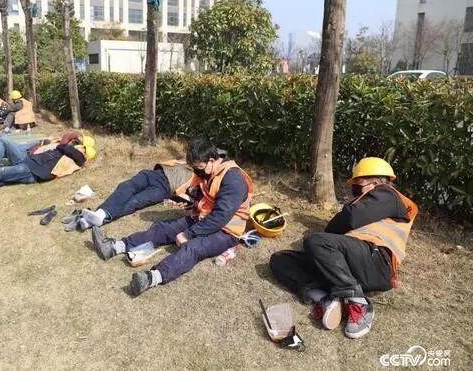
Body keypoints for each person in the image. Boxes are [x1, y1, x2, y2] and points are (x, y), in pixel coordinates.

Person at [269, 157, 418, 339]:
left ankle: (358, 302)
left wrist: (327, 234)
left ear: (375, 182)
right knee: (281, 260)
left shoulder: (387, 195)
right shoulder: (370, 202)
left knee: (317, 241)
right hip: (349, 264)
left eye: (358, 184)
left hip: (376, 264)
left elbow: (350, 219)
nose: (354, 189)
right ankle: (325, 299)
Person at [91, 139, 254, 297]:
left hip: (227, 231)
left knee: (193, 248)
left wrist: (188, 234)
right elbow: (204, 195)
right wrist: (192, 200)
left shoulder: (233, 180)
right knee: (163, 229)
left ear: (212, 160)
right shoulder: (209, 171)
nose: (197, 172)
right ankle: (115, 247)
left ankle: (151, 278)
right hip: (203, 218)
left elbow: (220, 216)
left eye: (199, 168)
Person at [0, 135, 97, 196]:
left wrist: (71, 143)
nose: (75, 143)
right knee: (1, 181)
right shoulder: (70, 155)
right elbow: (64, 142)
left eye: (79, 143)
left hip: (31, 169)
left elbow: (63, 145)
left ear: (83, 149)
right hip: (30, 167)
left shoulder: (78, 157)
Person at [79, 159, 195, 228]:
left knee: (135, 201)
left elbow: (190, 200)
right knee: (126, 186)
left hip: (164, 189)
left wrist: (172, 202)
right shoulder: (186, 161)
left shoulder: (199, 179)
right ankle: (99, 214)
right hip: (154, 174)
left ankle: (96, 218)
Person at [0, 131, 83, 168]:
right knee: (1, 147)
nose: (71, 141)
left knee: (2, 138)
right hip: (29, 149)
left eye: (74, 142)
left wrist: (77, 136)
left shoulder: (66, 147)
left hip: (25, 158)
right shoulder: (63, 145)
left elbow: (68, 136)